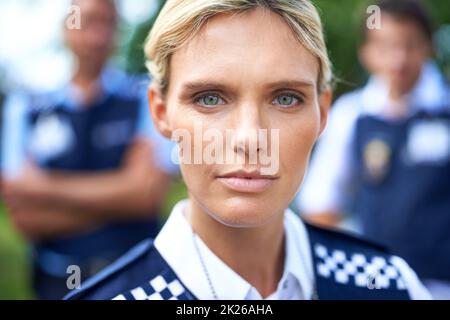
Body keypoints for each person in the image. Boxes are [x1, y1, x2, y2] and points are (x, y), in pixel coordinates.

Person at [65, 0, 430, 300]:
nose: (250, 138)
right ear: (161, 113)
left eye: (285, 98)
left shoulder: (391, 284)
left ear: (323, 112)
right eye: (209, 98)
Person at [1, 0, 175, 299]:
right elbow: (23, 215)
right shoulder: (26, 108)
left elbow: (145, 196)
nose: (97, 36)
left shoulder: (147, 98)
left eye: (107, 23)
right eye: (88, 21)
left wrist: (42, 189)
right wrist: (120, 197)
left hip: (137, 277)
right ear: (66, 28)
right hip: (57, 280)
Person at [298, 0, 450, 299]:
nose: (398, 59)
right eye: (386, 46)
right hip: (378, 285)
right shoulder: (351, 115)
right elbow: (320, 202)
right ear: (366, 52)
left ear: (429, 46)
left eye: (410, 44)